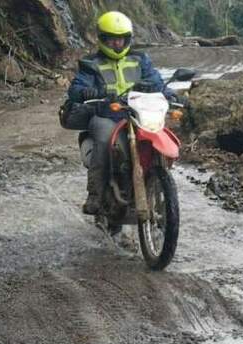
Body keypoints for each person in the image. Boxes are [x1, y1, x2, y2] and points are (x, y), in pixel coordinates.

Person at [65, 11, 177, 215]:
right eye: (112, 40)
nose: (117, 44)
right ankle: (95, 195)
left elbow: (156, 82)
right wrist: (87, 91)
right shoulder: (91, 64)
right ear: (102, 39)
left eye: (121, 39)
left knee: (157, 133)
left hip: (137, 113)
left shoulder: (140, 59)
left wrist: (171, 95)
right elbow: (75, 89)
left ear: (128, 39)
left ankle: (156, 179)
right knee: (105, 140)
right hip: (106, 114)